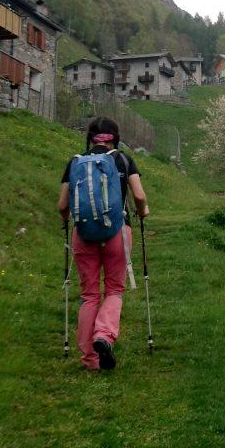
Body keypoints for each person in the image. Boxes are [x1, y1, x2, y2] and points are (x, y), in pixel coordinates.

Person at [58, 117, 149, 370]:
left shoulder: (76, 162)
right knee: (114, 290)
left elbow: (63, 206)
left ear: (90, 138)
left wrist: (67, 221)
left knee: (89, 295)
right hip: (117, 232)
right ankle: (104, 335)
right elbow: (139, 196)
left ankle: (90, 359)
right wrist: (143, 212)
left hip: (84, 233)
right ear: (114, 138)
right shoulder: (122, 160)